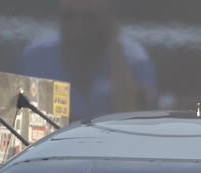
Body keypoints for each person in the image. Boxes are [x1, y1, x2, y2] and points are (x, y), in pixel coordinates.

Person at [20, 0, 156, 121]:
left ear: (107, 19)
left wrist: (116, 50)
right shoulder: (37, 57)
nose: (78, 26)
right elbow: (24, 115)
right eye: (69, 16)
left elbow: (134, 117)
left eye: (89, 17)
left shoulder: (134, 60)